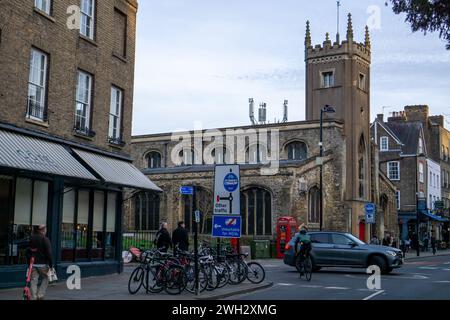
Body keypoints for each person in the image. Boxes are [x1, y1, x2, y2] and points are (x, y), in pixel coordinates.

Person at [28, 225, 53, 301]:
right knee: (47, 277)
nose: (46, 232)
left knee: (33, 280)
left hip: (33, 263)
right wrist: (51, 265)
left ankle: (34, 297)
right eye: (45, 230)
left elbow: (28, 251)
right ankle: (40, 295)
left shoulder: (31, 238)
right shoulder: (45, 239)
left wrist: (29, 262)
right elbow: (49, 253)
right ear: (43, 230)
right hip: (43, 265)